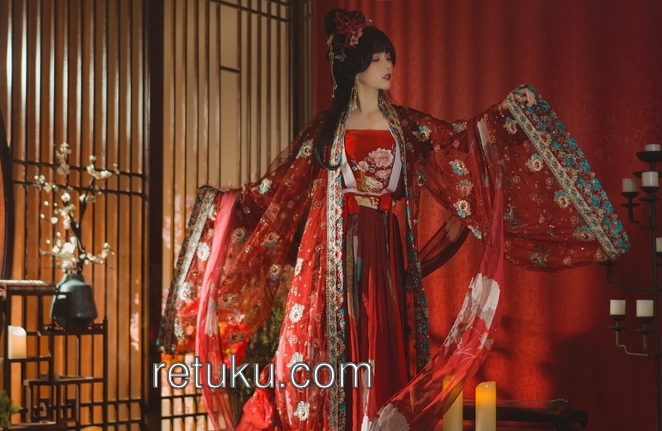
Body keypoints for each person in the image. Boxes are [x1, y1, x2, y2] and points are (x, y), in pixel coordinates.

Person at [157, 8, 629, 431]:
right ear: (355, 66)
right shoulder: (326, 130)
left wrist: (506, 121)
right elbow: (279, 191)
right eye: (379, 58)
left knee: (381, 337)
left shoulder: (406, 125)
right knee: (328, 341)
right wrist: (226, 205)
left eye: (390, 58)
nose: (389, 66)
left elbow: (459, 144)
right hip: (333, 254)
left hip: (384, 247)